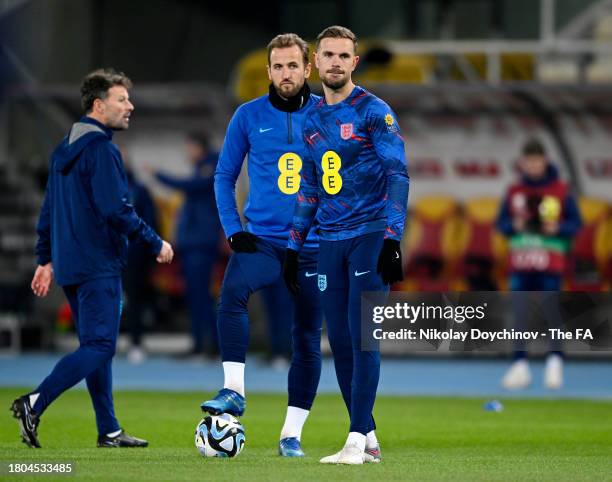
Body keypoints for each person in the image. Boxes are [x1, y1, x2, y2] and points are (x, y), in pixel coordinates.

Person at [11, 68, 174, 448]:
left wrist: (45, 259)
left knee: (95, 347)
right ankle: (34, 402)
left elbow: (49, 208)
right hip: (98, 264)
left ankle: (110, 430)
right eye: (122, 100)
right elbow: (115, 209)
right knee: (100, 346)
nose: (129, 106)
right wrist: (155, 242)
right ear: (99, 106)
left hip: (71, 265)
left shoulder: (63, 146)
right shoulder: (102, 149)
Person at [283, 26, 409, 465]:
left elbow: (398, 175)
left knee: (363, 341)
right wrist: (293, 247)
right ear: (315, 61)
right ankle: (369, 437)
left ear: (354, 63)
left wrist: (393, 240)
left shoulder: (376, 111)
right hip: (328, 242)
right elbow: (309, 187)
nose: (335, 62)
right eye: (328, 55)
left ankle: (355, 440)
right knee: (337, 339)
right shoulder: (312, 119)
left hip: (370, 236)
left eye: (344, 56)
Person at [199, 33, 323, 458]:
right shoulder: (248, 116)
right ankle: (234, 390)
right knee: (232, 292)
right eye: (278, 66)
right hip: (265, 242)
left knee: (306, 339)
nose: (285, 73)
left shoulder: (330, 114)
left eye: (293, 65)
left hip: (314, 246)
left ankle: (291, 435)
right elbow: (223, 176)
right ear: (268, 71)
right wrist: (233, 229)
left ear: (307, 69)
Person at [496, 138, 582, 390]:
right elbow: (501, 224)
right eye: (529, 161)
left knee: (550, 312)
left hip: (549, 261)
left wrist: (558, 228)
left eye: (537, 161)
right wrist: (513, 226)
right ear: (523, 163)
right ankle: (519, 365)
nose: (533, 166)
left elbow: (575, 224)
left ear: (545, 161)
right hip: (521, 261)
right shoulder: (515, 192)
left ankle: (555, 362)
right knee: (520, 315)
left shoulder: (561, 190)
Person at [154, 132, 221, 358]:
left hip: (202, 243)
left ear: (199, 147)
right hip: (193, 243)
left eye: (189, 148)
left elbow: (189, 185)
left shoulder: (211, 166)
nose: (187, 153)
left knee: (202, 295)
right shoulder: (201, 167)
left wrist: (160, 176)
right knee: (195, 295)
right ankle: (199, 343)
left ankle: (210, 346)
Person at [123, 152, 160, 364]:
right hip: (108, 256)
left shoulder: (139, 190)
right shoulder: (102, 188)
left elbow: (151, 221)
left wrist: (151, 250)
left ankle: (136, 342)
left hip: (135, 256)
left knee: (135, 300)